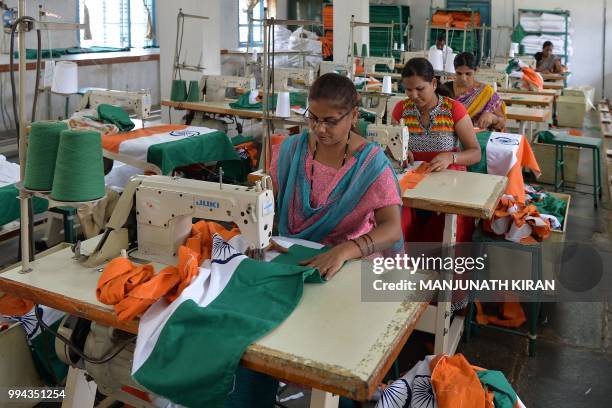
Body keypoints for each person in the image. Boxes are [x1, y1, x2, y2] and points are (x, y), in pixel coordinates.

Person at [267, 73, 404, 280]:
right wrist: (262, 236)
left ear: (354, 115)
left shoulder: (371, 164)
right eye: (313, 118)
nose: (319, 128)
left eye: (330, 121)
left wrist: (344, 251)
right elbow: (267, 203)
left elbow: (392, 229)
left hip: (351, 261)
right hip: (295, 253)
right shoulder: (291, 150)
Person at [391, 57, 481, 243]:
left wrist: (451, 157)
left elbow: (475, 152)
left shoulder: (453, 109)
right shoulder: (401, 109)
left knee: (443, 228)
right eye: (408, 90)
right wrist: (399, 151)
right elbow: (390, 146)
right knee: (396, 218)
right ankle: (404, 267)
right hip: (413, 181)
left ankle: (443, 270)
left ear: (433, 83)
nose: (413, 95)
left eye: (419, 89)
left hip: (448, 182)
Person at [443, 52, 506, 131]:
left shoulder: (486, 92)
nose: (463, 78)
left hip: (479, 137)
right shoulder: (445, 90)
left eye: (468, 74)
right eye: (459, 73)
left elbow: (502, 123)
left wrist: (493, 118)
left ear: (476, 70)